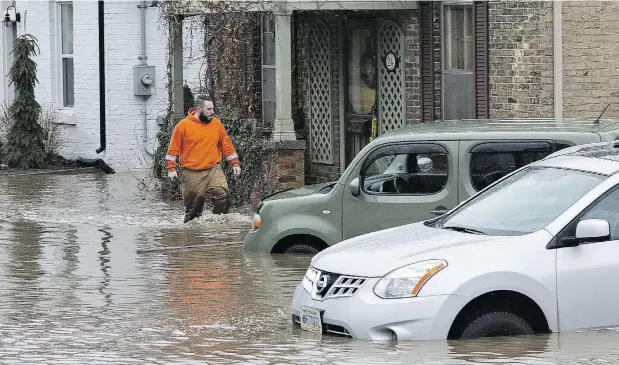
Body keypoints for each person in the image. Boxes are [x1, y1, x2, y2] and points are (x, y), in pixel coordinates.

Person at [165, 95, 241, 222]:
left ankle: (218, 225)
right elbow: (172, 151)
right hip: (191, 172)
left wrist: (235, 164)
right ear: (199, 109)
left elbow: (227, 146)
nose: (213, 112)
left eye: (213, 109)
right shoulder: (183, 126)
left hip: (213, 169)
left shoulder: (217, 124)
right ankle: (193, 237)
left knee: (222, 195)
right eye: (209, 109)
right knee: (193, 213)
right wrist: (171, 169)